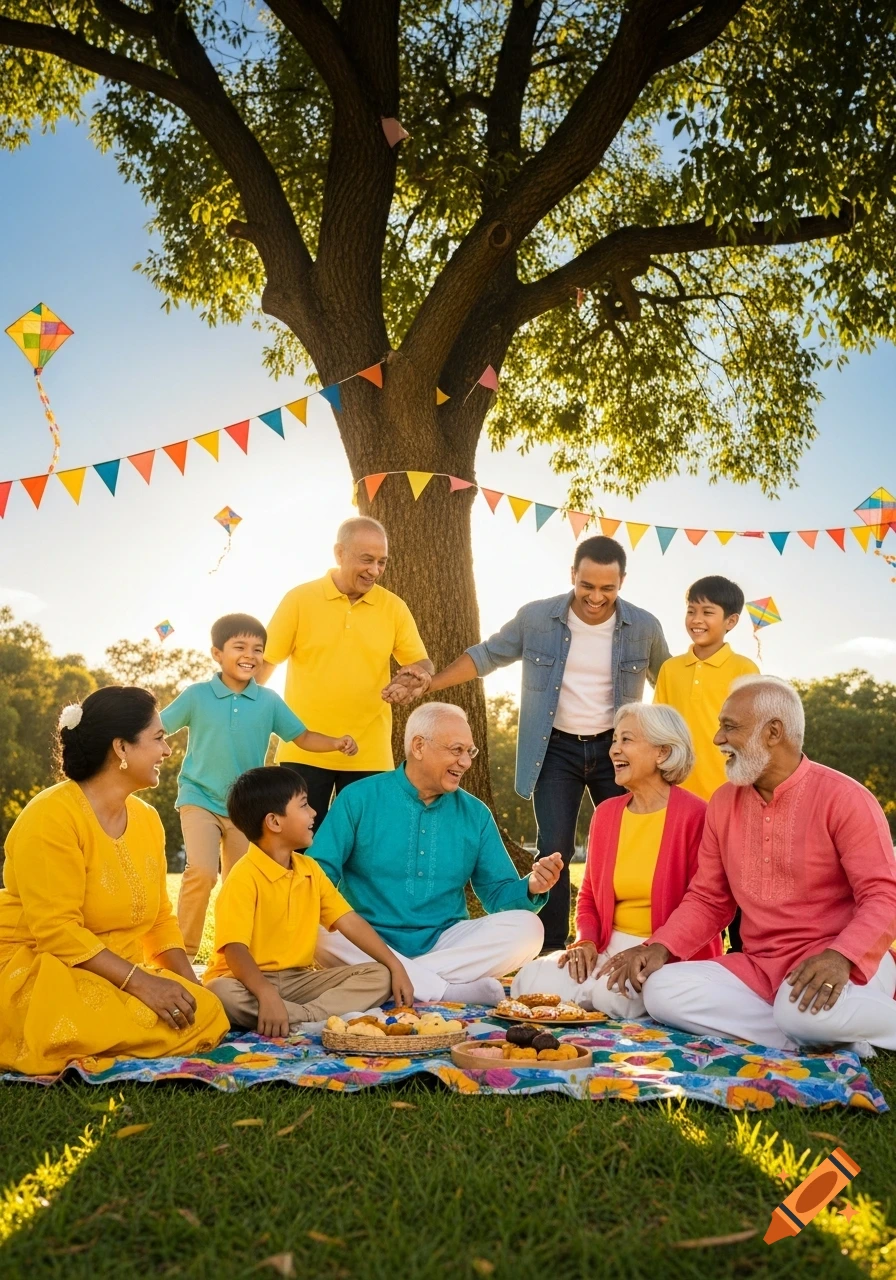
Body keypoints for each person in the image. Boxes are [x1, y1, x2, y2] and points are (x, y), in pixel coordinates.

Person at [382, 535, 670, 952]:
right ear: (573, 575)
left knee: (626, 842)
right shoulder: (538, 619)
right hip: (555, 749)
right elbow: (487, 656)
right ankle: (553, 947)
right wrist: (431, 684)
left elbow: (672, 681)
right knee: (554, 845)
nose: (595, 597)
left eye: (607, 588)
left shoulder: (644, 627)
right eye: (587, 585)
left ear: (622, 581)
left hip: (617, 751)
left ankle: (620, 941)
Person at [601, 676, 896, 1053]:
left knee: (799, 1011)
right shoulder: (724, 803)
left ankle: (822, 1024)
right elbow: (709, 899)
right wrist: (660, 947)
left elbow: (883, 897)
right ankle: (828, 1036)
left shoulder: (845, 798)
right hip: (760, 969)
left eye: (730, 727)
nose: (717, 739)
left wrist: (841, 956)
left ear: (773, 732)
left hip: (839, 962)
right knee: (661, 991)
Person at [0, 687, 229, 1075]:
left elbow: (158, 921)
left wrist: (192, 989)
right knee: (82, 1021)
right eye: (158, 739)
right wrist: (141, 983)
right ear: (121, 747)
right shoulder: (51, 816)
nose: (167, 752)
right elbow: (56, 931)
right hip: (39, 967)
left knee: (205, 1011)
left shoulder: (146, 819)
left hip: (115, 972)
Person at [311, 703, 564, 1005]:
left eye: (470, 752)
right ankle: (444, 991)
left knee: (529, 929)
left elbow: (498, 894)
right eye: (456, 750)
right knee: (315, 931)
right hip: (368, 940)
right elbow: (318, 873)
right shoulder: (359, 798)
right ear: (418, 746)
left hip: (445, 942)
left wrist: (532, 886)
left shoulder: (475, 814)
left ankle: (388, 983)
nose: (466, 762)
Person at [160, 613, 358, 959]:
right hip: (199, 797)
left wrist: (336, 742)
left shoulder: (268, 701)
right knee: (203, 872)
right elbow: (159, 726)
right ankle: (185, 955)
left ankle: (235, 957)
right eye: (240, 646)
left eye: (258, 649)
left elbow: (303, 736)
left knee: (240, 883)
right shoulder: (197, 696)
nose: (250, 654)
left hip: (245, 807)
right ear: (216, 653)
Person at [512, 704, 721, 1017]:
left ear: (662, 753)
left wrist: (655, 949)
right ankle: (593, 990)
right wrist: (586, 943)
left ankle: (599, 995)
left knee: (611, 996)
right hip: (608, 946)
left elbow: (704, 905)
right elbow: (589, 898)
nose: (614, 750)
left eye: (626, 740)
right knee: (528, 981)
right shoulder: (606, 814)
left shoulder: (697, 816)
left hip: (664, 952)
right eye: (614, 741)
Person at [204, 768, 413, 1034]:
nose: (314, 812)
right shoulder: (243, 877)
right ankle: (300, 1015)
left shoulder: (310, 869)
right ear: (274, 822)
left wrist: (396, 965)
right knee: (219, 992)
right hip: (245, 981)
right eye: (304, 805)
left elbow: (350, 921)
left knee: (379, 975)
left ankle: (302, 1017)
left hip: (300, 981)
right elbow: (235, 951)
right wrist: (266, 993)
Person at [258, 517, 433, 825]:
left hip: (370, 753)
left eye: (382, 562)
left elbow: (420, 662)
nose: (374, 570)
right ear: (339, 553)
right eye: (366, 559)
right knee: (300, 851)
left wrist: (412, 677)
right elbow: (265, 664)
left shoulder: (393, 608)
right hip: (302, 751)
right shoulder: (299, 599)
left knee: (367, 851)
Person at [652, 575, 758, 952]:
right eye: (691, 610)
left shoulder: (744, 669)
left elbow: (753, 735)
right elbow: (659, 729)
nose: (697, 618)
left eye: (707, 612)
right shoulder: (670, 670)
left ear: (730, 621)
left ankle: (745, 954)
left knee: (737, 879)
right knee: (688, 883)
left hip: (730, 796)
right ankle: (689, 952)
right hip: (678, 797)